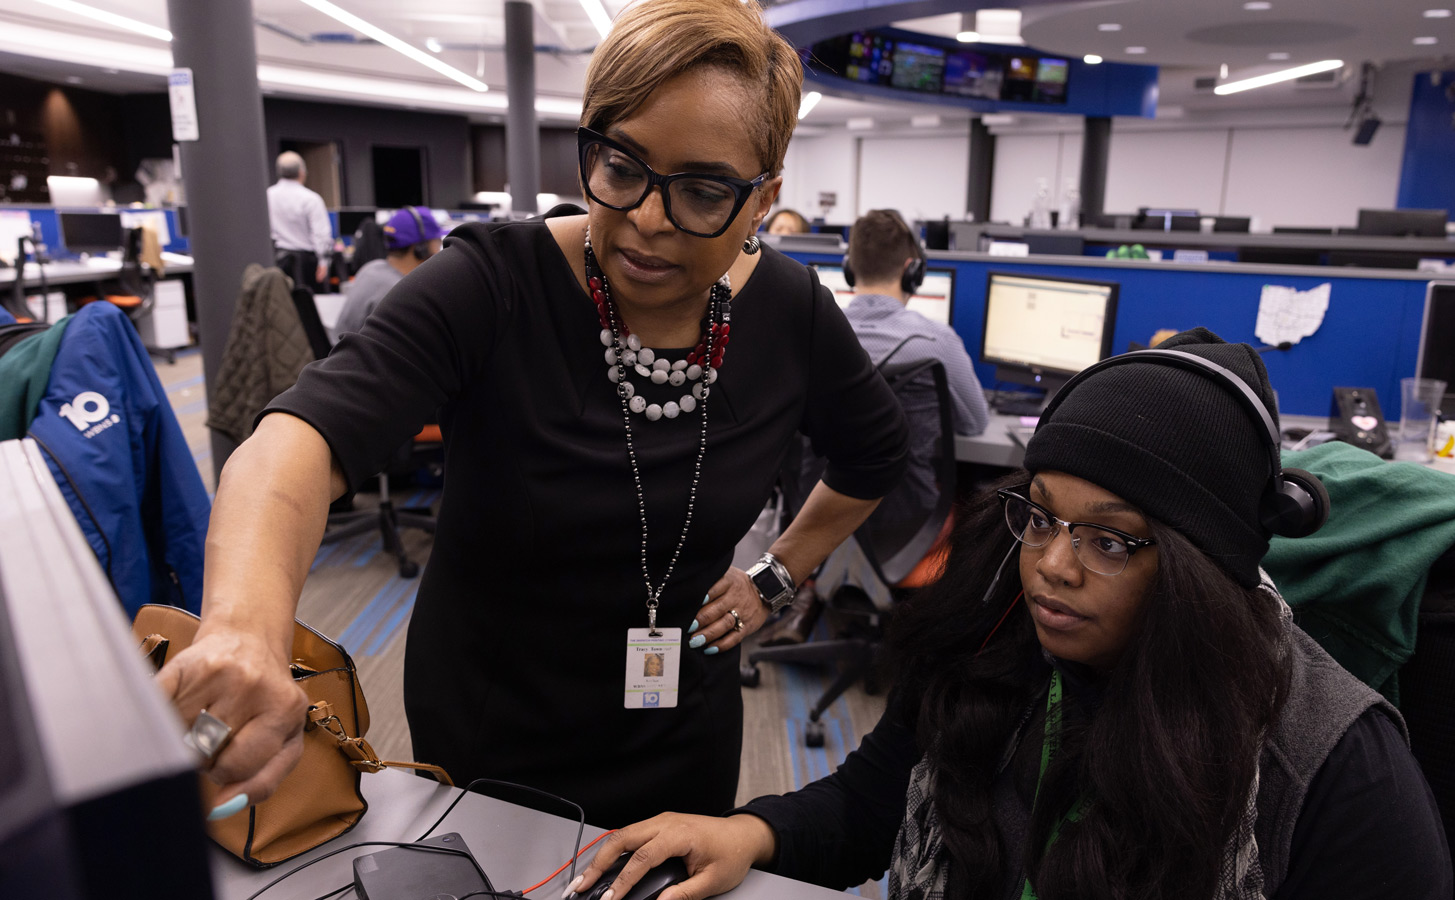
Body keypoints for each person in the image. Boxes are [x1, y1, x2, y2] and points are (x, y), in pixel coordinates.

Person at [154, 0, 907, 831]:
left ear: (763, 200)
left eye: (701, 191)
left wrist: (778, 571)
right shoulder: (492, 284)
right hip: (489, 728)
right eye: (621, 166)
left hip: (682, 727)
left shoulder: (792, 313)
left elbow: (874, 451)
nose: (648, 221)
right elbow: (295, 442)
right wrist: (246, 630)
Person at [568, 328, 1454, 900]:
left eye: (1112, 540)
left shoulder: (1333, 772)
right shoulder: (994, 635)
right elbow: (874, 800)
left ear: (1203, 569)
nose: (1052, 568)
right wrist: (752, 832)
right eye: (1041, 516)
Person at [763, 209, 989, 645]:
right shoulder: (936, 341)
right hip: (909, 524)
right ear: (914, 270)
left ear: (849, 268)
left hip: (818, 516)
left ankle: (818, 598)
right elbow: (976, 423)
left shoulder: (809, 332)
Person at [332, 206, 445, 341]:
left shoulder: (370, 268)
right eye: (438, 242)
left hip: (342, 357)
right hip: (364, 361)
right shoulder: (402, 292)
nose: (440, 250)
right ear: (421, 248)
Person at [267, 151, 333, 291]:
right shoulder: (311, 199)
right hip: (306, 266)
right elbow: (321, 234)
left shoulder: (267, 196)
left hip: (276, 262)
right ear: (302, 172)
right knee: (308, 306)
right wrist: (323, 262)